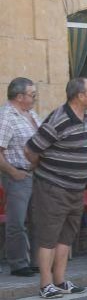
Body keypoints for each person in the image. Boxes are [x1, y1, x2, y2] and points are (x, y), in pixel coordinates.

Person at [24, 78, 87, 298]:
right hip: (53, 188)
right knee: (48, 236)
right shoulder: (60, 119)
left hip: (76, 188)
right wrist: (41, 168)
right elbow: (30, 149)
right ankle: (45, 284)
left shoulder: (85, 116)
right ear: (80, 96)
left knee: (66, 236)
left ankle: (60, 280)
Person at [0, 78, 40, 277]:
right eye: (32, 95)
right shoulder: (6, 116)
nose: (35, 98)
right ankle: (18, 263)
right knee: (17, 221)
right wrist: (13, 172)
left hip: (35, 174)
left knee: (37, 220)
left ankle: (36, 261)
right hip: (17, 174)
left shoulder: (30, 113)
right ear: (19, 96)